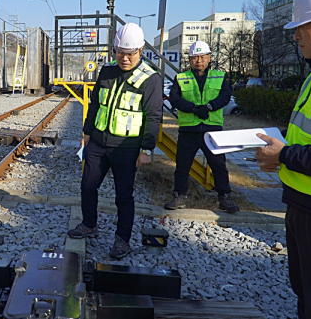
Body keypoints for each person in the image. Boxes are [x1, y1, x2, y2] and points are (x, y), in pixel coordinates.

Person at [254, 0, 311, 317]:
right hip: (300, 203)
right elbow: (305, 135)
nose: (296, 37)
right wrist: (277, 148)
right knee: (305, 292)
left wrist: (284, 155)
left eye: (301, 28)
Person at [67, 23, 163, 259]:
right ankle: (89, 224)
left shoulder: (151, 79)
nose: (125, 58)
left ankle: (122, 240)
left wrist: (147, 149)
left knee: (124, 196)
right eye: (120, 52)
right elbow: (96, 104)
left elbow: (154, 116)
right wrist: (86, 133)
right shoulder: (107, 71)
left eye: (130, 53)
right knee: (88, 185)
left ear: (141, 50)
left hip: (126, 148)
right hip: (98, 143)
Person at [163, 40, 239, 213]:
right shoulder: (181, 78)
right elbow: (174, 98)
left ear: (209, 58)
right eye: (195, 57)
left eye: (202, 57)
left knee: (219, 165)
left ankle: (225, 198)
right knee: (182, 165)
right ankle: (178, 196)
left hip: (212, 129)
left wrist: (209, 107)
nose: (199, 61)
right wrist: (194, 109)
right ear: (189, 60)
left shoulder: (220, 76)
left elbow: (225, 96)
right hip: (189, 129)